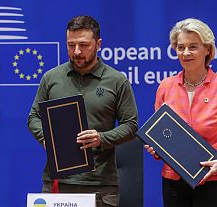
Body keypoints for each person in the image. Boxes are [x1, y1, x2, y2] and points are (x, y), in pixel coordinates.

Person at [28, 15, 138, 207]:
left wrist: (101, 138)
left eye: (84, 45)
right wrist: (47, 138)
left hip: (101, 186)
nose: (76, 52)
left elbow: (131, 125)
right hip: (57, 182)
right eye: (71, 45)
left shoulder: (117, 80)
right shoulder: (51, 77)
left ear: (98, 44)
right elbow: (34, 117)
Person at [145, 18, 217, 207]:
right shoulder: (165, 87)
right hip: (173, 181)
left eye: (193, 47)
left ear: (207, 49)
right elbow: (161, 136)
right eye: (180, 47)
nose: (186, 53)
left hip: (214, 179)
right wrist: (156, 149)